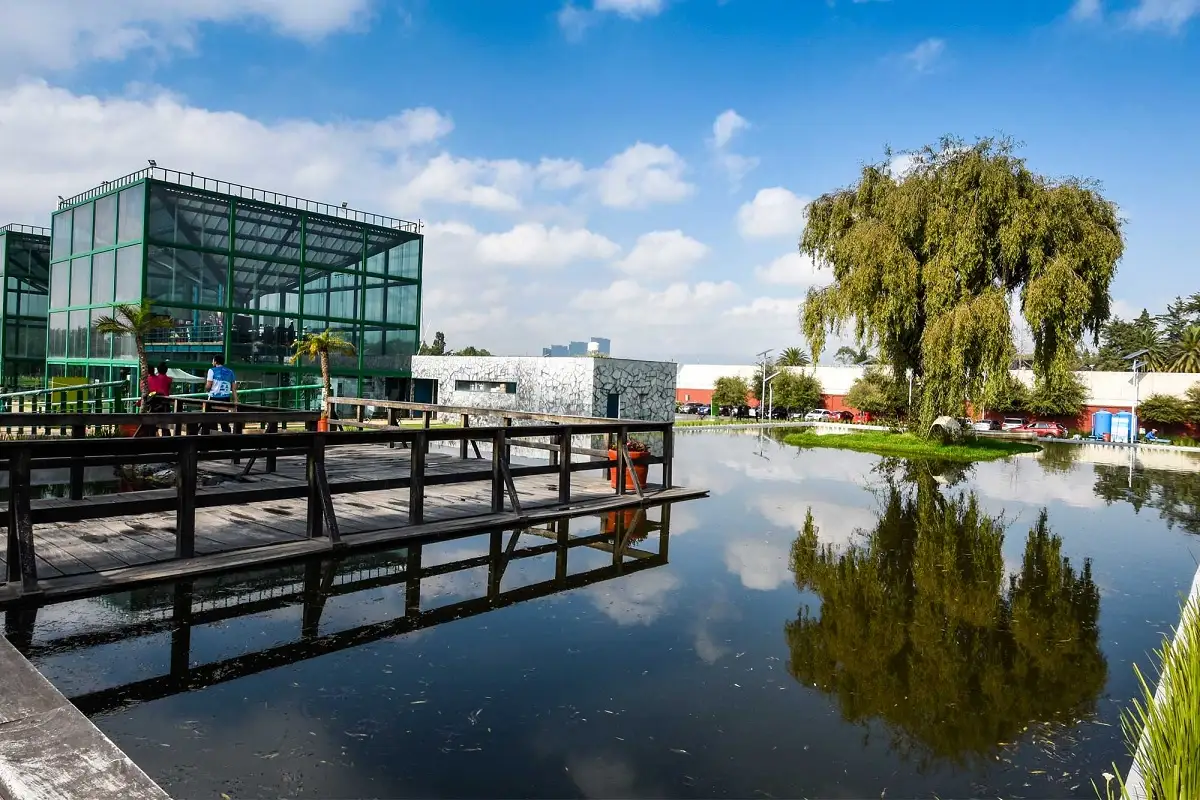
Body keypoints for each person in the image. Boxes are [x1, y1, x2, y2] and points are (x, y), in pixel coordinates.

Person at [205, 354, 237, 433]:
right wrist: (236, 400)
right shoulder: (230, 372)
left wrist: (206, 389)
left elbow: (209, 385)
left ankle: (214, 438)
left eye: (213, 361)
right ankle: (226, 437)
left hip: (214, 398)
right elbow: (233, 389)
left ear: (215, 362)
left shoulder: (211, 370)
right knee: (224, 421)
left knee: (211, 420)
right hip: (226, 399)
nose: (212, 362)